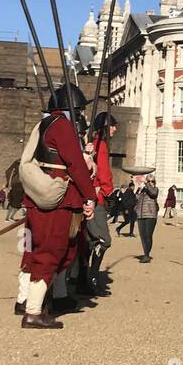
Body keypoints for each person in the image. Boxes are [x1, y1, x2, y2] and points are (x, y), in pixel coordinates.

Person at [16, 84, 96, 330]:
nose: (81, 114)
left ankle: (29, 301)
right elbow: (75, 165)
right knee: (50, 252)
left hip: (40, 196)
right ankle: (33, 312)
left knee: (39, 250)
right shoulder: (62, 127)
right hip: (58, 200)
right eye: (79, 109)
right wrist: (89, 196)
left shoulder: (44, 124)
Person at [82, 110, 116, 294]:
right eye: (112, 125)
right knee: (102, 240)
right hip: (96, 198)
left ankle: (81, 278)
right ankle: (91, 279)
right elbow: (103, 174)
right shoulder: (100, 146)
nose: (114, 129)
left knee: (88, 240)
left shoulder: (92, 144)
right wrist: (109, 193)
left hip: (89, 197)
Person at [135, 174, 159, 261]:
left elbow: (153, 193)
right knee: (143, 236)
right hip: (140, 215)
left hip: (150, 214)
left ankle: (146, 255)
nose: (150, 182)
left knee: (148, 235)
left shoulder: (155, 189)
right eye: (148, 181)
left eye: (152, 181)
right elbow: (136, 199)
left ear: (154, 182)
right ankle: (145, 252)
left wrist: (146, 183)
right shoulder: (143, 190)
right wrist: (138, 188)